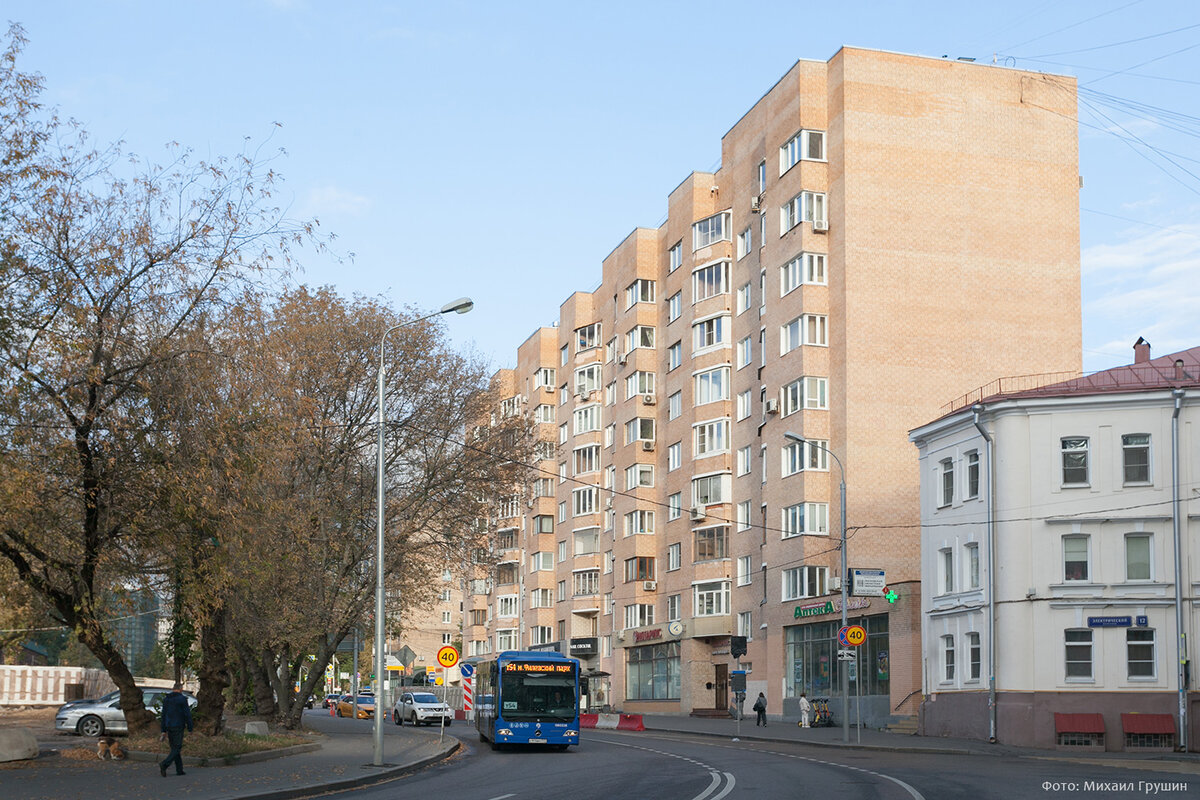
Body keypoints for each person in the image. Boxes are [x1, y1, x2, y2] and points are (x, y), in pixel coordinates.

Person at [158, 683, 194, 777]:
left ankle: (179, 769)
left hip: (169, 725)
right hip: (178, 725)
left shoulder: (167, 699)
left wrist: (163, 730)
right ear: (181, 689)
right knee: (177, 747)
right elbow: (187, 714)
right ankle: (164, 764)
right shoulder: (182, 699)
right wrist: (190, 727)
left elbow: (163, 714)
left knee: (174, 748)